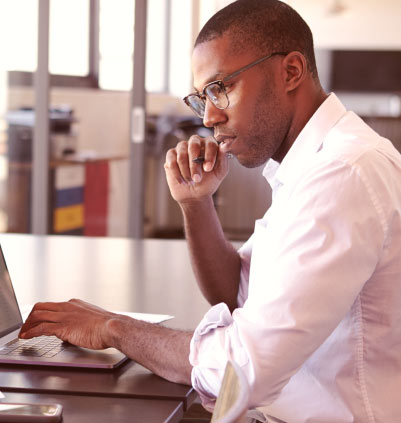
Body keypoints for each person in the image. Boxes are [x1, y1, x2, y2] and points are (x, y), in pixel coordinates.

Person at [20, 0, 401, 421]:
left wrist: (114, 328)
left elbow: (241, 372)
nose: (210, 116)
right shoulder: (311, 167)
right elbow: (238, 293)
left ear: (290, 71)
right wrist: (195, 202)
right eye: (202, 98)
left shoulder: (342, 173)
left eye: (222, 88)